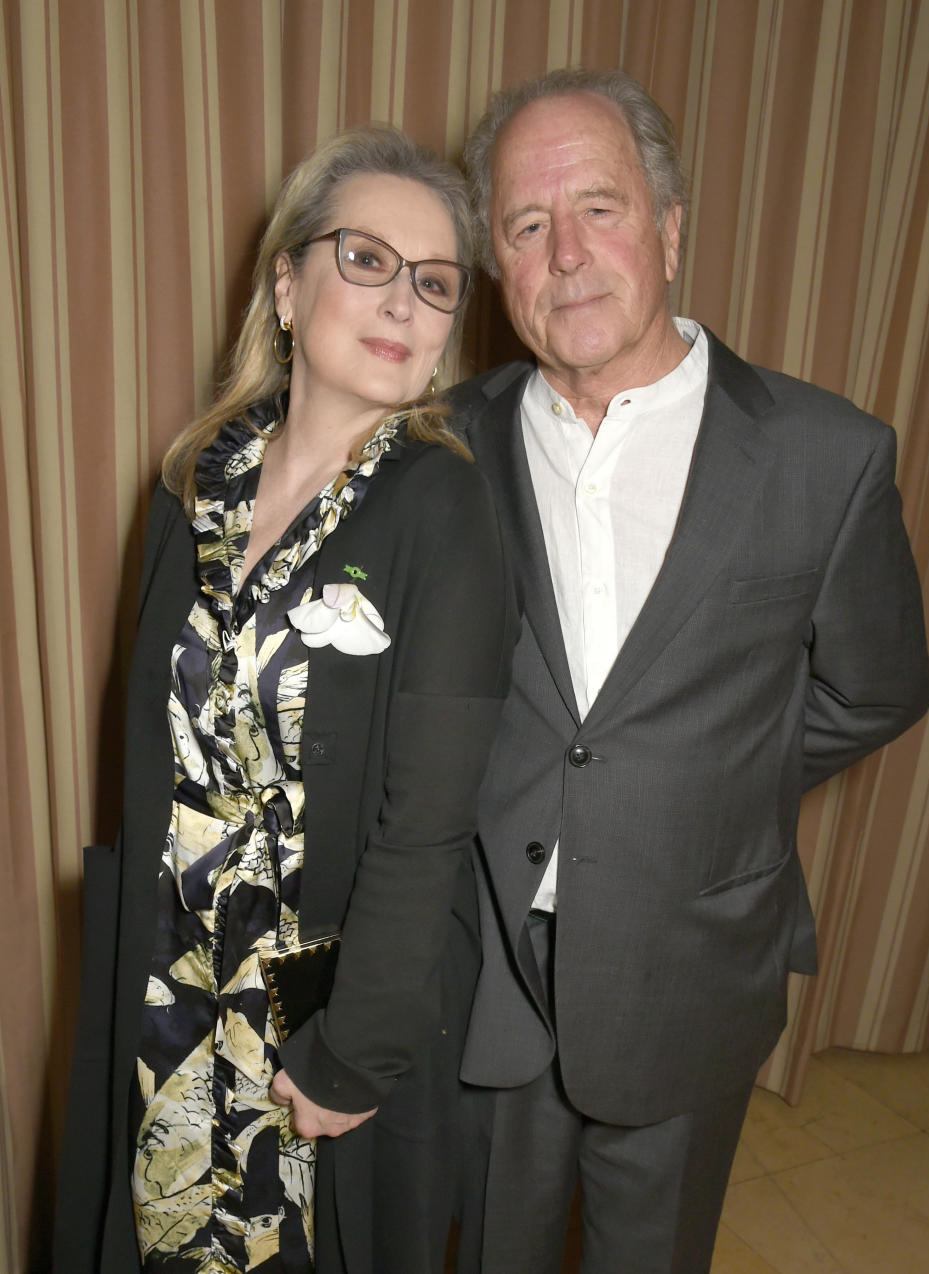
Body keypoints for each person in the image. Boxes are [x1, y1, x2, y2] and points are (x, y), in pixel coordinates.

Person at [449, 67, 929, 1274]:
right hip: (488, 969)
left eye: (599, 208)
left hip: (692, 967)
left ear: (668, 227)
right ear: (500, 266)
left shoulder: (828, 455)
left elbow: (876, 689)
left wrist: (708, 780)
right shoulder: (441, 447)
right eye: (525, 224)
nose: (566, 252)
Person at [53, 124, 515, 1274]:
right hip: (168, 991)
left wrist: (351, 1051)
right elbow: (151, 750)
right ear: (286, 283)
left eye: (435, 282)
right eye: (366, 259)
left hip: (309, 1026)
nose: (403, 301)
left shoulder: (444, 511)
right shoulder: (191, 479)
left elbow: (428, 820)